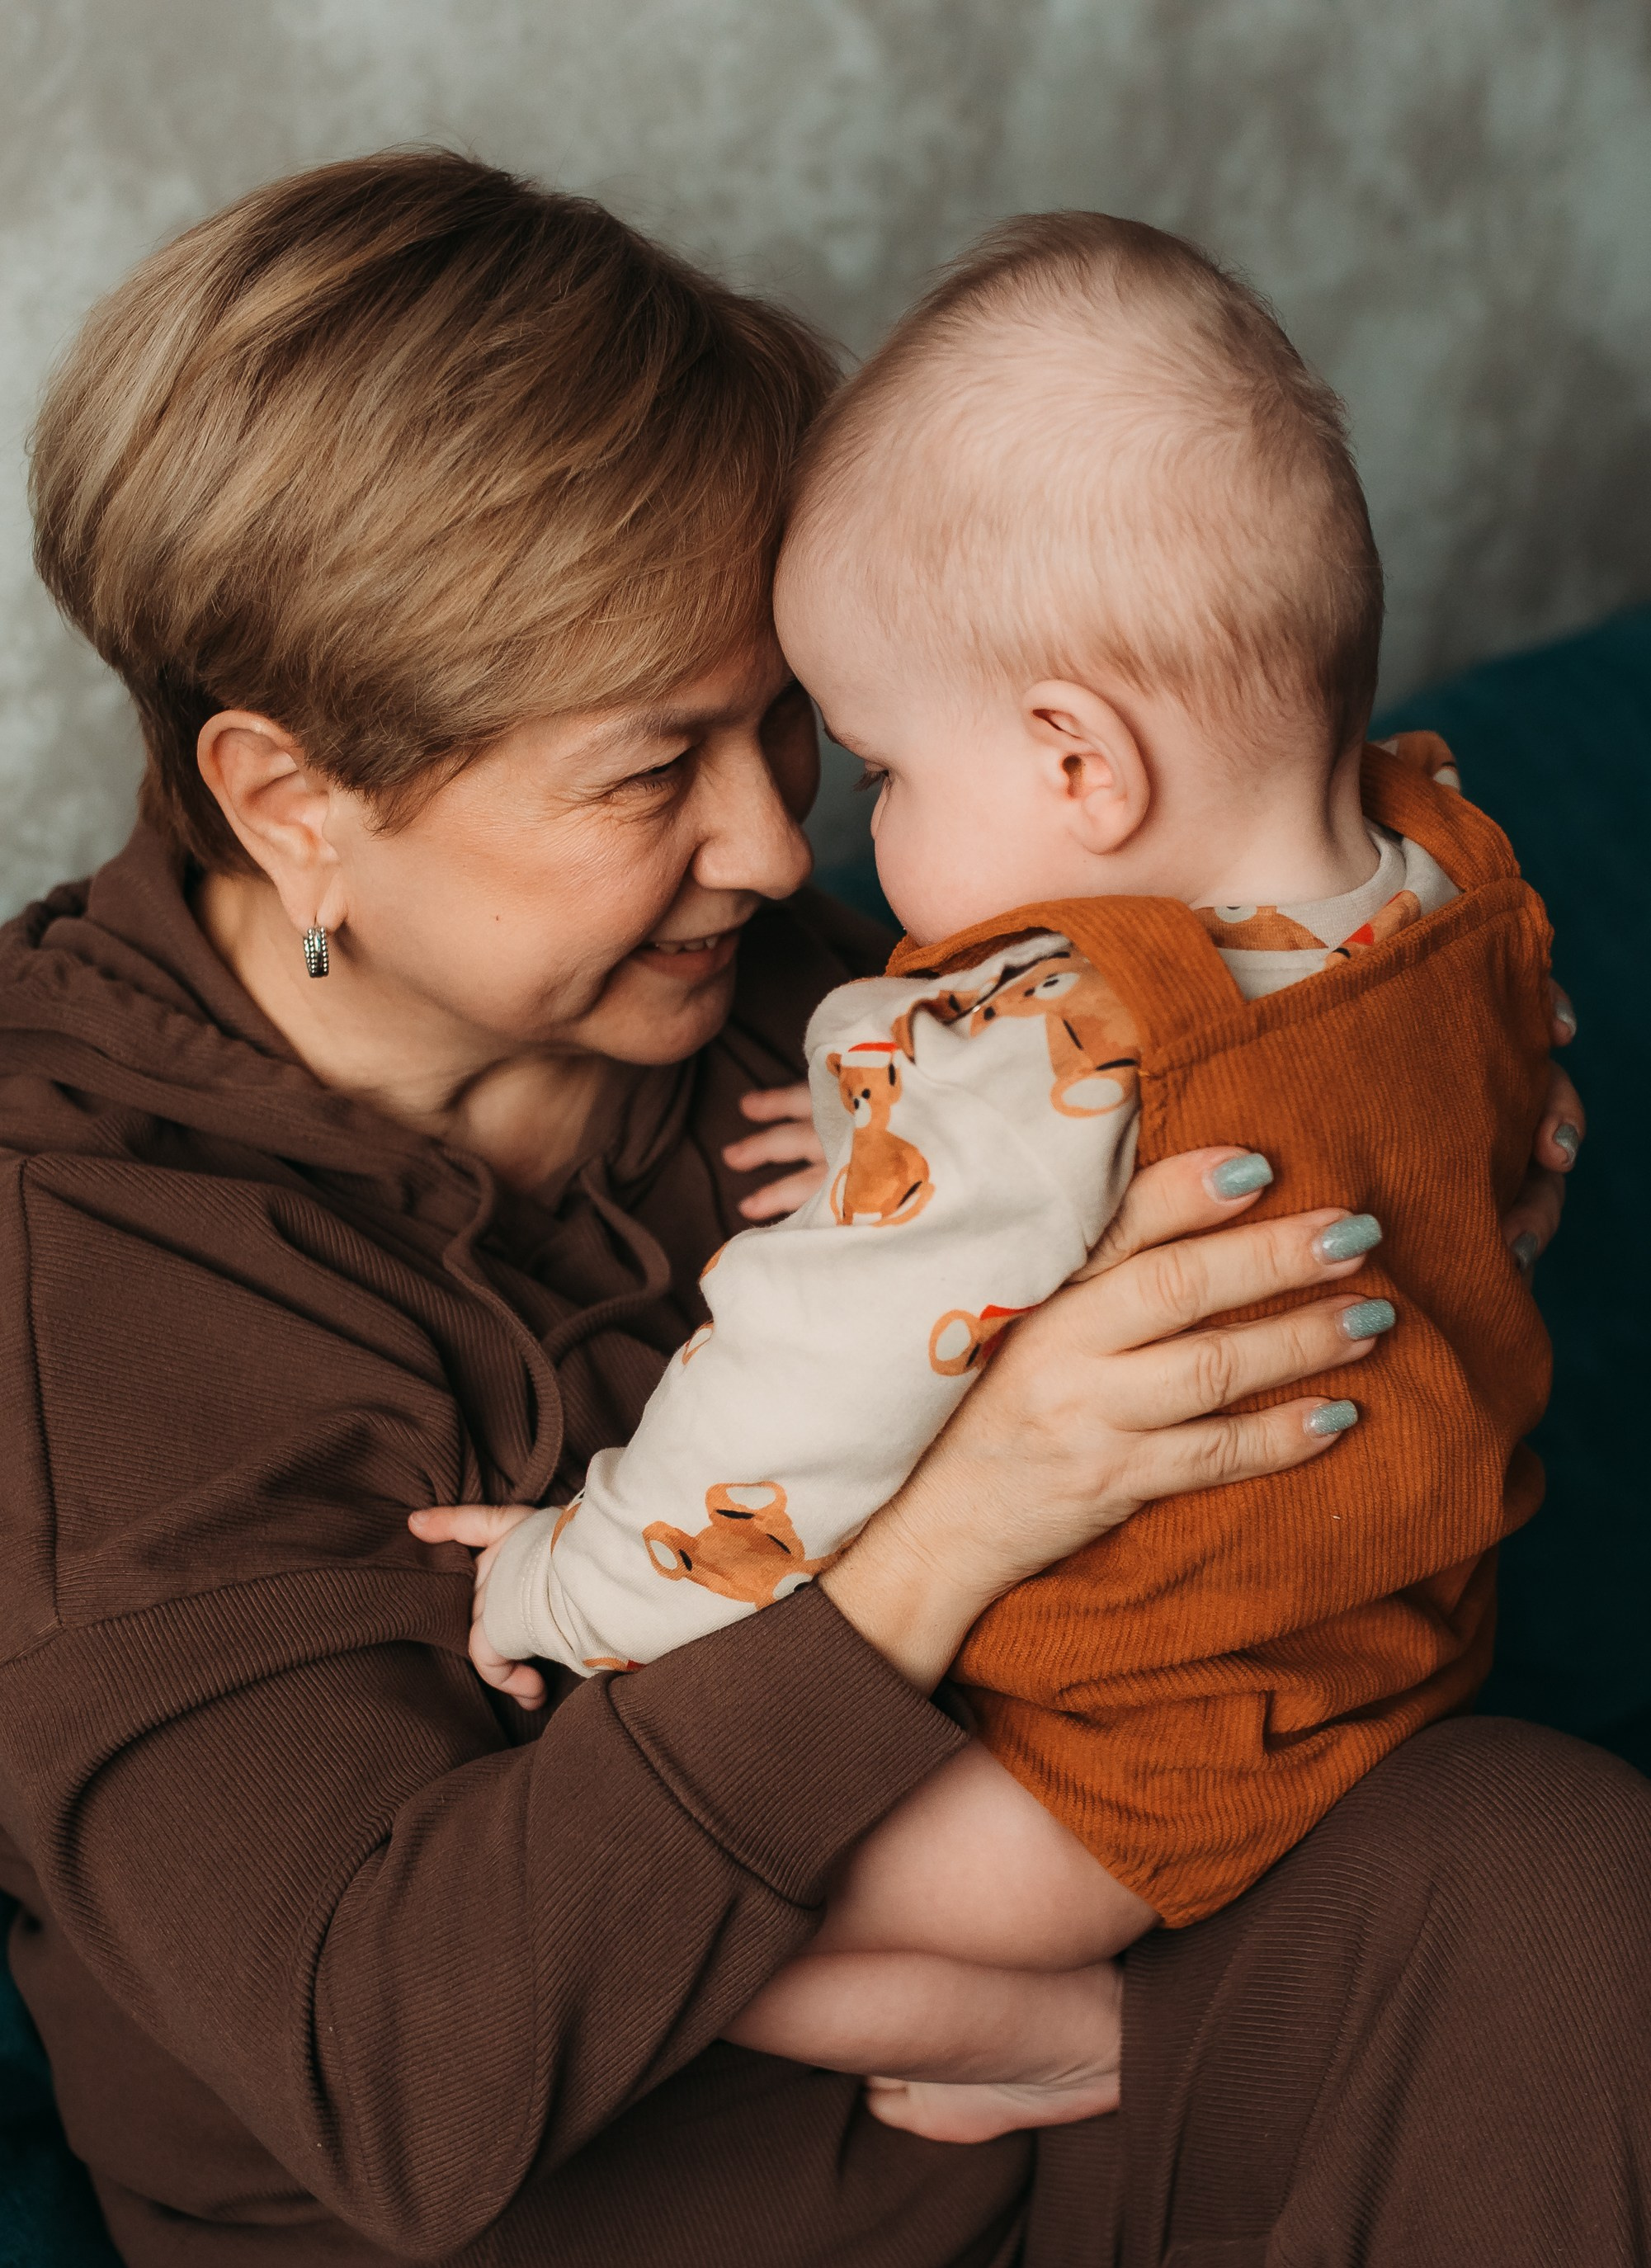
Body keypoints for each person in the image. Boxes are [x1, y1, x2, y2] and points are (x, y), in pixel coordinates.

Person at [0, 151, 1633, 2268]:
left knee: (1551, 1894)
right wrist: (956, 1535)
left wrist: (1412, 1184)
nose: (785, 856)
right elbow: (397, 2076)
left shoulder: (758, 985)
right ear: (294, 798)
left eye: (786, 738)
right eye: (656, 768)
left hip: (1057, 2178)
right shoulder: (80, 1285)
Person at [416, 216, 1554, 2146]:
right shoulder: (1451, 876)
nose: (823, 840)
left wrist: (572, 1574)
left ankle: (1095, 2043)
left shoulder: (1050, 1043)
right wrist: (900, 1139)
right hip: (1402, 1642)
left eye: (872, 770)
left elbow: (802, 1397)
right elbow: (1487, 1141)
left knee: (680, 1943)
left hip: (1113, 1763)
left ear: (1071, 762)